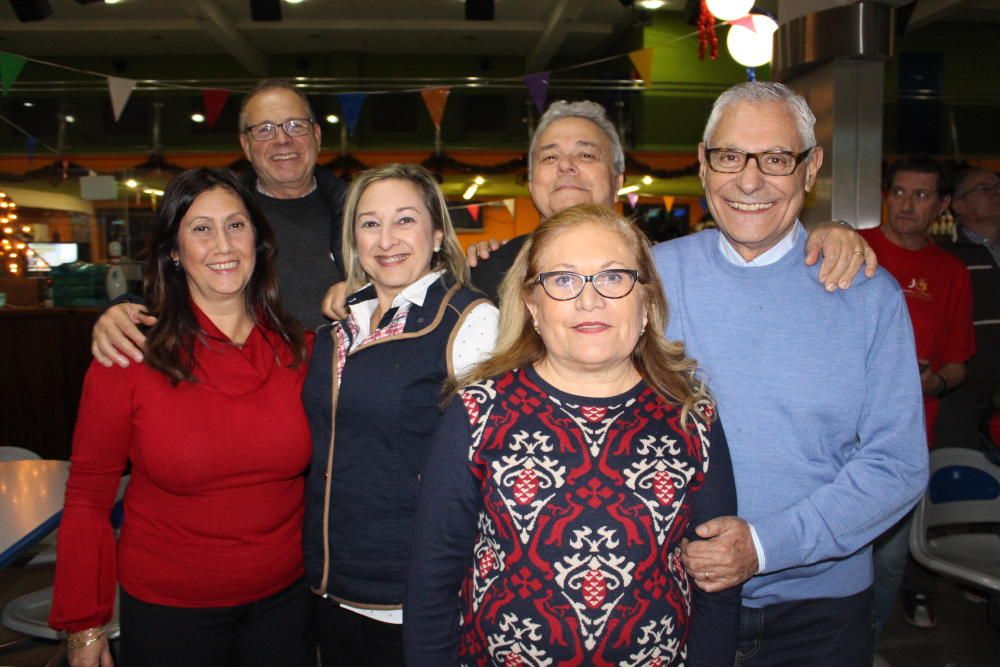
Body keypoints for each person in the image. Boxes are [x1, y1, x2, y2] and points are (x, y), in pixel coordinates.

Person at [654, 82, 928, 665]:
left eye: (776, 159)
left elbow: (897, 466)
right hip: (666, 600)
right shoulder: (645, 279)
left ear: (810, 169)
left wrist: (763, 545)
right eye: (729, 156)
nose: (749, 181)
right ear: (703, 164)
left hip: (818, 616)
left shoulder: (866, 295)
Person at [405, 204, 740, 666]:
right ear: (531, 306)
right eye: (563, 280)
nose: (589, 300)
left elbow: (717, 588)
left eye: (612, 277)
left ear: (647, 300)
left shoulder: (693, 416)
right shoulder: (477, 412)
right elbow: (431, 586)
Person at [50, 168, 314, 667]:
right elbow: (87, 497)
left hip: (286, 604)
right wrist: (85, 625)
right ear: (174, 250)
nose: (223, 244)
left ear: (258, 241)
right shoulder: (127, 356)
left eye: (236, 225)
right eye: (201, 228)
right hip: (171, 611)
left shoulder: (302, 352)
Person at [302, 163, 499, 666]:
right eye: (369, 223)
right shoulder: (339, 325)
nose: (386, 239)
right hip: (330, 584)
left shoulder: (470, 321)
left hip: (417, 596)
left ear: (437, 233)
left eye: (404, 220)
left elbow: (490, 470)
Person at [459, 100, 879, 305]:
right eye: (550, 157)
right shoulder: (485, 272)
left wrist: (833, 228)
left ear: (617, 180)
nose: (566, 167)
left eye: (586, 155)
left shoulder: (664, 269)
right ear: (532, 182)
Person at [92, 79, 347, 367]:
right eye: (264, 129)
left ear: (316, 134)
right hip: (249, 382)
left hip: (343, 385)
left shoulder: (360, 215)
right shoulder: (220, 213)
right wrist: (124, 307)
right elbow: (168, 283)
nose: (282, 140)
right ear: (246, 145)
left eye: (295, 125)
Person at [863, 156, 974, 636]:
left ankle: (861, 650)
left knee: (887, 564)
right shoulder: (852, 249)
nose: (907, 204)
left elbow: (956, 365)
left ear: (943, 204)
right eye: (900, 191)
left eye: (922, 195)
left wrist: (928, 383)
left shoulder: (950, 273)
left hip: (903, 442)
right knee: (829, 563)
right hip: (835, 435)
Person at [935, 166, 1000, 450]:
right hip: (965, 402)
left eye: (998, 187)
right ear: (959, 205)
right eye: (985, 189)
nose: (996, 193)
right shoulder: (946, 259)